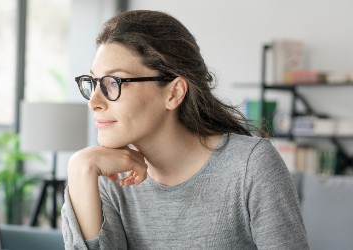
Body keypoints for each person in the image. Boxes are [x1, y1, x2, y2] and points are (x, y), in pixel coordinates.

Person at [61, 10, 308, 250]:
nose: (94, 101)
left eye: (113, 83)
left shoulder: (251, 167)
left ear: (174, 92)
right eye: (93, 82)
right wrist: (80, 168)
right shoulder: (109, 179)